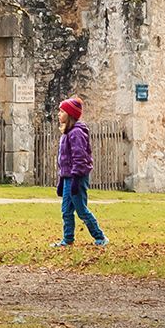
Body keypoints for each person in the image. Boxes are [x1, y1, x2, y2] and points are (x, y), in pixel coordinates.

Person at [52, 96, 108, 248]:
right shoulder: (66, 133)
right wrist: (62, 181)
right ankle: (67, 239)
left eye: (62, 111)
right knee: (66, 211)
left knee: (81, 209)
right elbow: (64, 161)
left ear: (69, 115)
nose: (59, 114)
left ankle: (100, 236)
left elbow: (79, 157)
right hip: (68, 178)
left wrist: (76, 179)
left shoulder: (77, 133)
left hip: (77, 177)